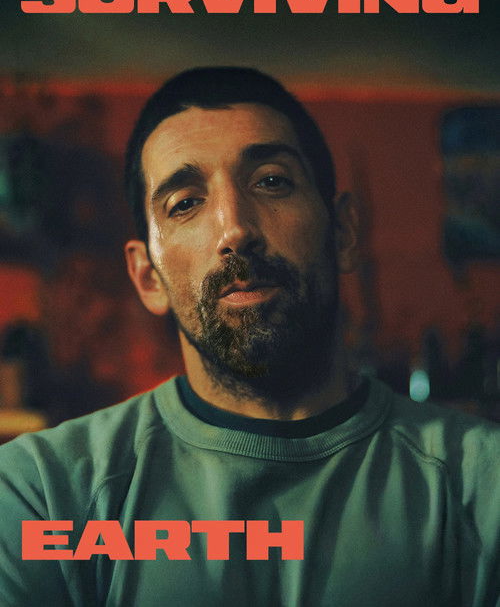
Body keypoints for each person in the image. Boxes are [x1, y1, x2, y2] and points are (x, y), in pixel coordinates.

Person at [0, 67, 498, 607]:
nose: (235, 229)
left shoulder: (480, 486)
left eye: (271, 181)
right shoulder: (42, 495)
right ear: (148, 277)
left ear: (343, 233)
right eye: (185, 202)